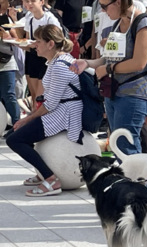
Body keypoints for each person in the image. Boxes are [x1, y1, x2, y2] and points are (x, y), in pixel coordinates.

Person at [71, 0, 147, 156]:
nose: (103, 11)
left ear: (118, 2)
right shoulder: (117, 24)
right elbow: (109, 58)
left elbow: (139, 63)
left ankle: (136, 180)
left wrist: (109, 69)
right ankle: (127, 179)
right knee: (118, 145)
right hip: (113, 91)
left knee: (126, 146)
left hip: (134, 92)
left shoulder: (144, 24)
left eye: (104, 6)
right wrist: (87, 63)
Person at [6, 24, 82, 197]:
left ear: (50, 44)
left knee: (14, 140)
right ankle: (43, 171)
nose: (35, 45)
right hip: (61, 109)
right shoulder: (57, 61)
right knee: (13, 135)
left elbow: (50, 105)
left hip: (65, 114)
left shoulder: (59, 66)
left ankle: (51, 179)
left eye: (38, 41)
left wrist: (27, 119)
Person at [23, 0, 61, 110]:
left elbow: (57, 41)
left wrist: (39, 44)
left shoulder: (50, 18)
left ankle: (39, 121)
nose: (29, 4)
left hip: (45, 58)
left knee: (41, 96)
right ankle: (34, 119)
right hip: (32, 56)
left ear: (42, 2)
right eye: (26, 1)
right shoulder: (29, 18)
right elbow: (27, 40)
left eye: (33, 1)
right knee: (34, 95)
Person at [0, 0, 20, 137]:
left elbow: (16, 38)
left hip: (6, 61)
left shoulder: (6, 19)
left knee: (9, 94)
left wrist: (6, 35)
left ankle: (17, 125)